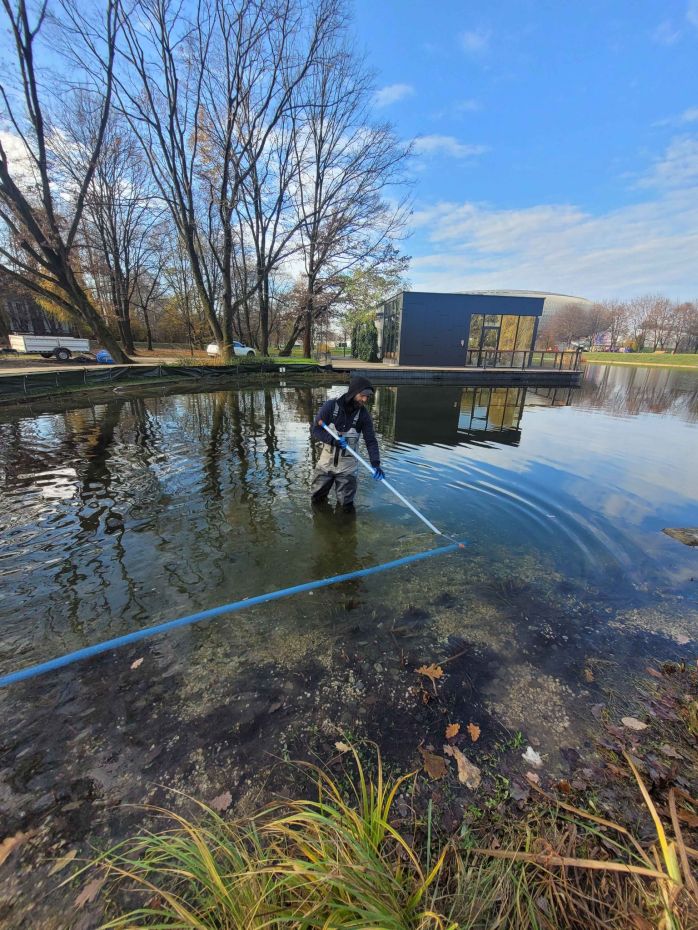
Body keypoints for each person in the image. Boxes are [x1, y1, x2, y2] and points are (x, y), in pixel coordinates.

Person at [310, 376, 385, 512]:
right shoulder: (330, 407)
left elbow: (371, 441)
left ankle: (344, 530)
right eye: (363, 396)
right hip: (325, 465)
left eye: (368, 397)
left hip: (347, 469)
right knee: (317, 500)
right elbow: (315, 429)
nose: (365, 400)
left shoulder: (363, 415)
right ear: (353, 392)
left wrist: (376, 464)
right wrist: (332, 440)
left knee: (346, 507)